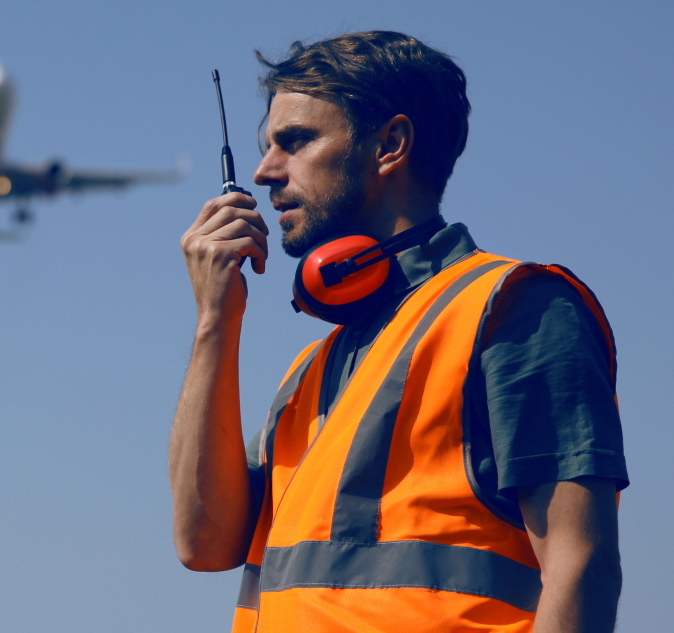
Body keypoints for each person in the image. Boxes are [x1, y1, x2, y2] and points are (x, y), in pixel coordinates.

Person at [170, 31, 627, 633]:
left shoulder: (517, 307)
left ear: (390, 144)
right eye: (265, 147)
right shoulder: (310, 371)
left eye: (296, 141)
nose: (263, 172)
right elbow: (203, 544)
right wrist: (214, 323)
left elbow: (582, 565)